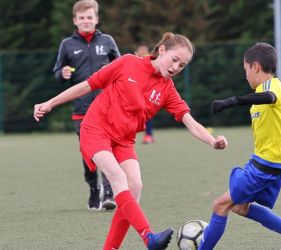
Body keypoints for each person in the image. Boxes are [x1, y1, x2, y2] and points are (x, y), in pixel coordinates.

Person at [34, 32, 228, 250]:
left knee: (135, 187)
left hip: (124, 141)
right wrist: (50, 103)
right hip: (95, 129)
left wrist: (212, 141)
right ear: (162, 50)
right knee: (117, 176)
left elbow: (190, 122)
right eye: (174, 60)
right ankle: (149, 238)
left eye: (182, 65)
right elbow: (87, 85)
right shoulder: (127, 62)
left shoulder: (167, 89)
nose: (176, 68)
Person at [199, 43, 281, 250]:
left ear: (255, 66)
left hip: (265, 166)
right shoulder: (264, 95)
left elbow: (268, 97)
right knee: (240, 207)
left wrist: (231, 101)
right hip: (270, 164)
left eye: (245, 70)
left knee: (220, 205)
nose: (246, 77)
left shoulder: (271, 87)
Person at [53, 0, 120, 210]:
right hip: (81, 110)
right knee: (89, 154)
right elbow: (57, 72)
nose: (86, 21)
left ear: (96, 19)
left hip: (107, 107)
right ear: (75, 20)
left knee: (107, 151)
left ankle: (109, 193)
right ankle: (93, 189)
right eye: (81, 18)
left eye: (89, 17)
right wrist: (62, 74)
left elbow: (121, 67)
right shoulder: (67, 45)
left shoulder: (108, 41)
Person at [135, 44, 155, 144]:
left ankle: (149, 135)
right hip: (133, 94)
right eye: (140, 52)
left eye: (145, 52)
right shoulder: (131, 63)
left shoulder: (151, 65)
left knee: (147, 115)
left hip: (146, 94)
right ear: (136, 53)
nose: (142, 54)